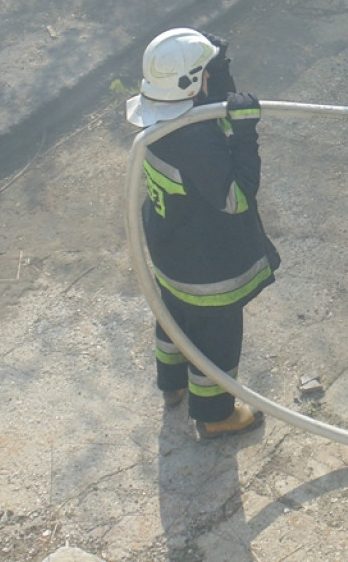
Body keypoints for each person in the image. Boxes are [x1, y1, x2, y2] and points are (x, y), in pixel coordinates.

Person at [125, 27, 280, 439]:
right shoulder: (196, 141)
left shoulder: (160, 124)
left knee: (173, 321)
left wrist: (219, 70)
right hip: (208, 273)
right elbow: (237, 197)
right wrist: (247, 137)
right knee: (217, 342)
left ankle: (172, 385)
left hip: (171, 258)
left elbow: (205, 105)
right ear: (195, 82)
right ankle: (214, 414)